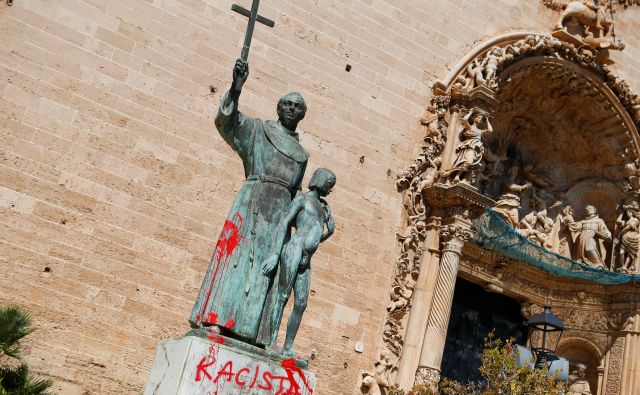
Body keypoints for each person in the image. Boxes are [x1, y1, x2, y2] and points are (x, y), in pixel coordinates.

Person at [189, 59, 309, 344]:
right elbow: (227, 122)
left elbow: (297, 193)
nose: (291, 109)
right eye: (287, 104)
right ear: (278, 108)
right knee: (236, 260)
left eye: (297, 107)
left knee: (266, 272)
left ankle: (255, 333)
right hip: (253, 203)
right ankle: (217, 319)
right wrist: (236, 88)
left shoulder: (303, 155)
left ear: (302, 115)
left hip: (279, 216)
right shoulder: (258, 130)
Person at [258, 168, 336, 355]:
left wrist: (329, 231)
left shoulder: (323, 207)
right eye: (329, 184)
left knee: (301, 303)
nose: (330, 189)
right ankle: (272, 341)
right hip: (295, 249)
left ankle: (288, 346)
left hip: (306, 257)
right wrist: (275, 254)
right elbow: (284, 222)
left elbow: (316, 235)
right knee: (283, 296)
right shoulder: (302, 199)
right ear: (320, 180)